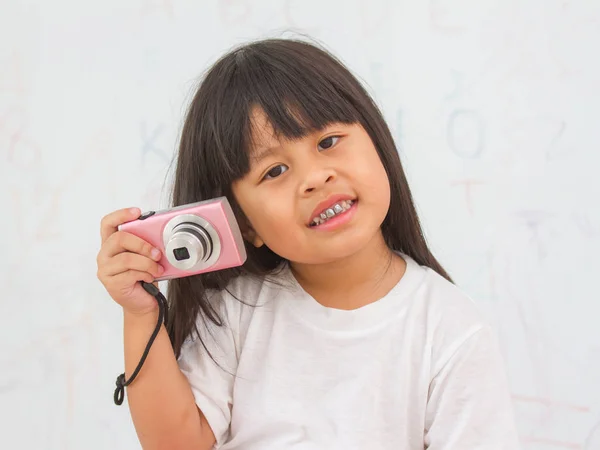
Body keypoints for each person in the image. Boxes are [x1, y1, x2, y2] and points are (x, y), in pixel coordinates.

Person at [96, 37, 520, 449]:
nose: (315, 177)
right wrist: (140, 314)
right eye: (275, 171)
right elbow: (176, 444)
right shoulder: (237, 310)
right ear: (243, 223)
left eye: (328, 142)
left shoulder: (450, 329)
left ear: (377, 141)